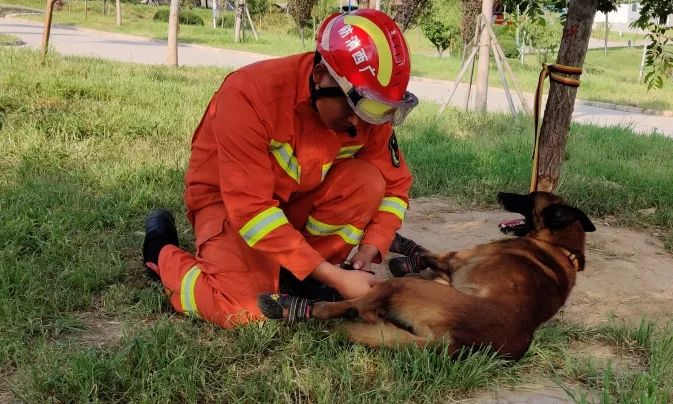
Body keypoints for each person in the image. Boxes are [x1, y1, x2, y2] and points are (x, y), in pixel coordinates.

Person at [142, 8, 419, 327]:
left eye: (376, 110)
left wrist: (372, 246)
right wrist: (336, 277)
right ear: (320, 77)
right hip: (229, 205)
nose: (360, 121)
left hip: (293, 200)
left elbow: (395, 187)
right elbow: (251, 211)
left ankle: (303, 274)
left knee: (367, 182)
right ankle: (159, 250)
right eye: (355, 108)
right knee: (241, 306)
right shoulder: (249, 95)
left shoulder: (366, 108)